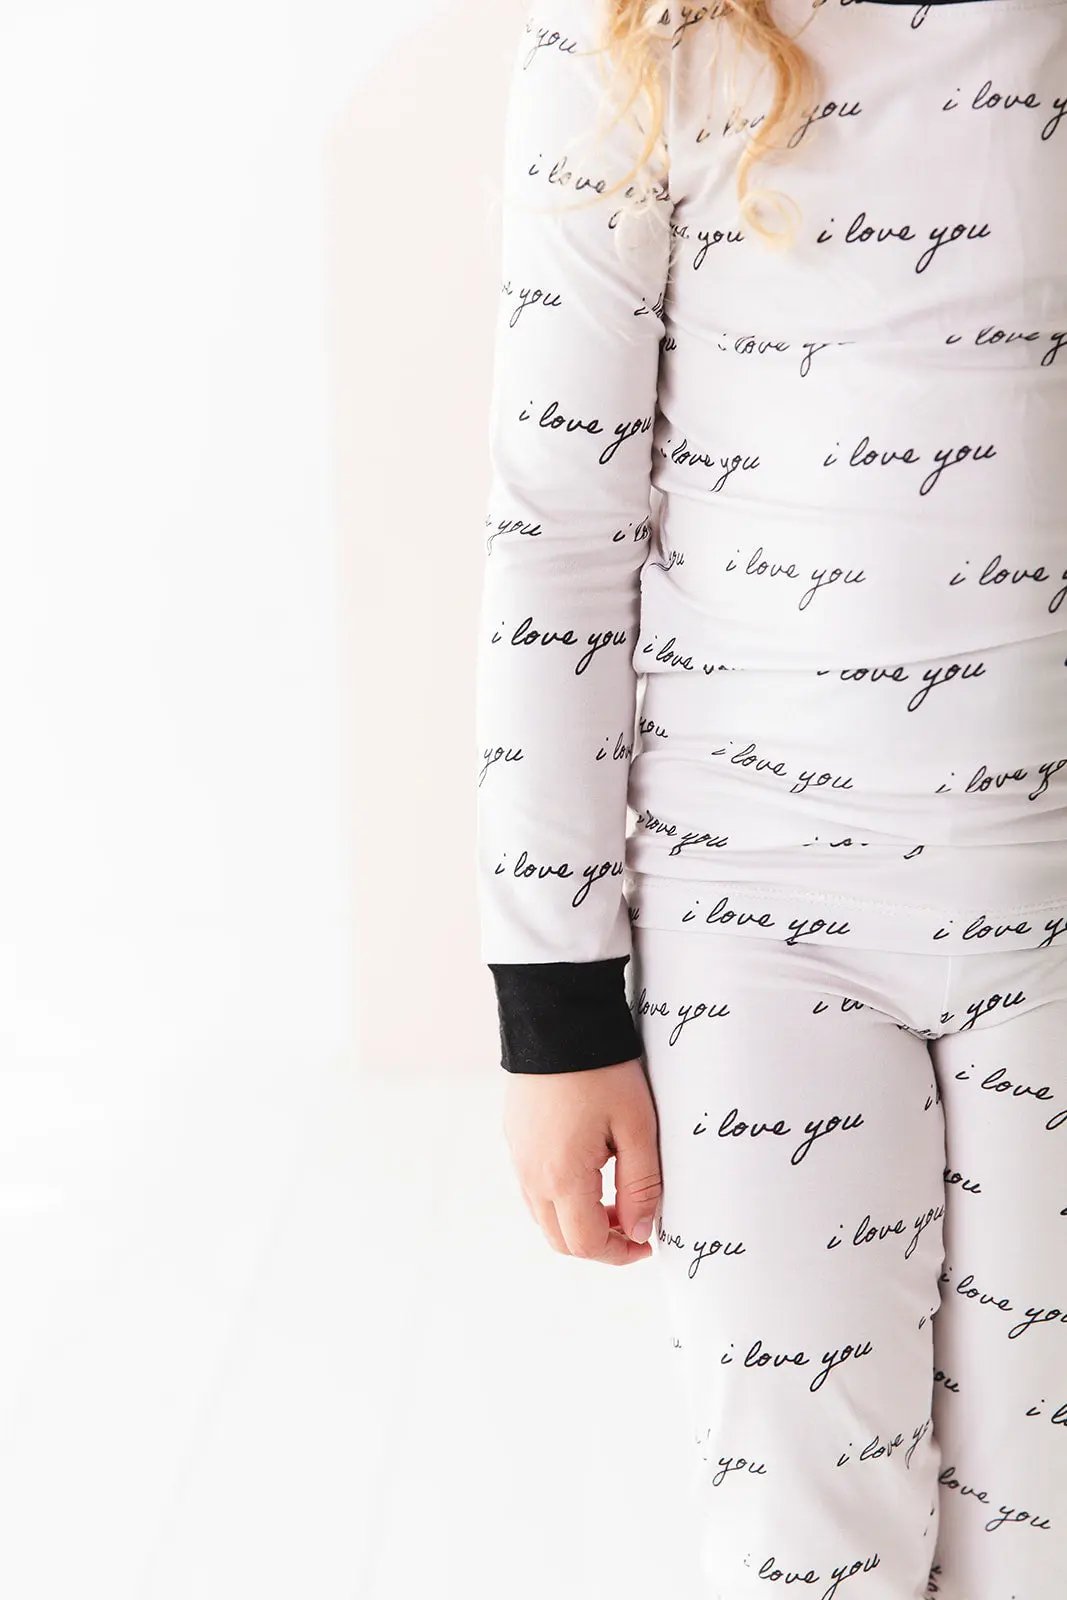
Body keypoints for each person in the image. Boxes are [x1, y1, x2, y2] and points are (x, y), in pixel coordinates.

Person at [473, 0, 1067, 1595]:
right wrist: (556, 1009)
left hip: (1051, 906)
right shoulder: (628, 39)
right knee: (810, 1552)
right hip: (755, 923)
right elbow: (559, 523)